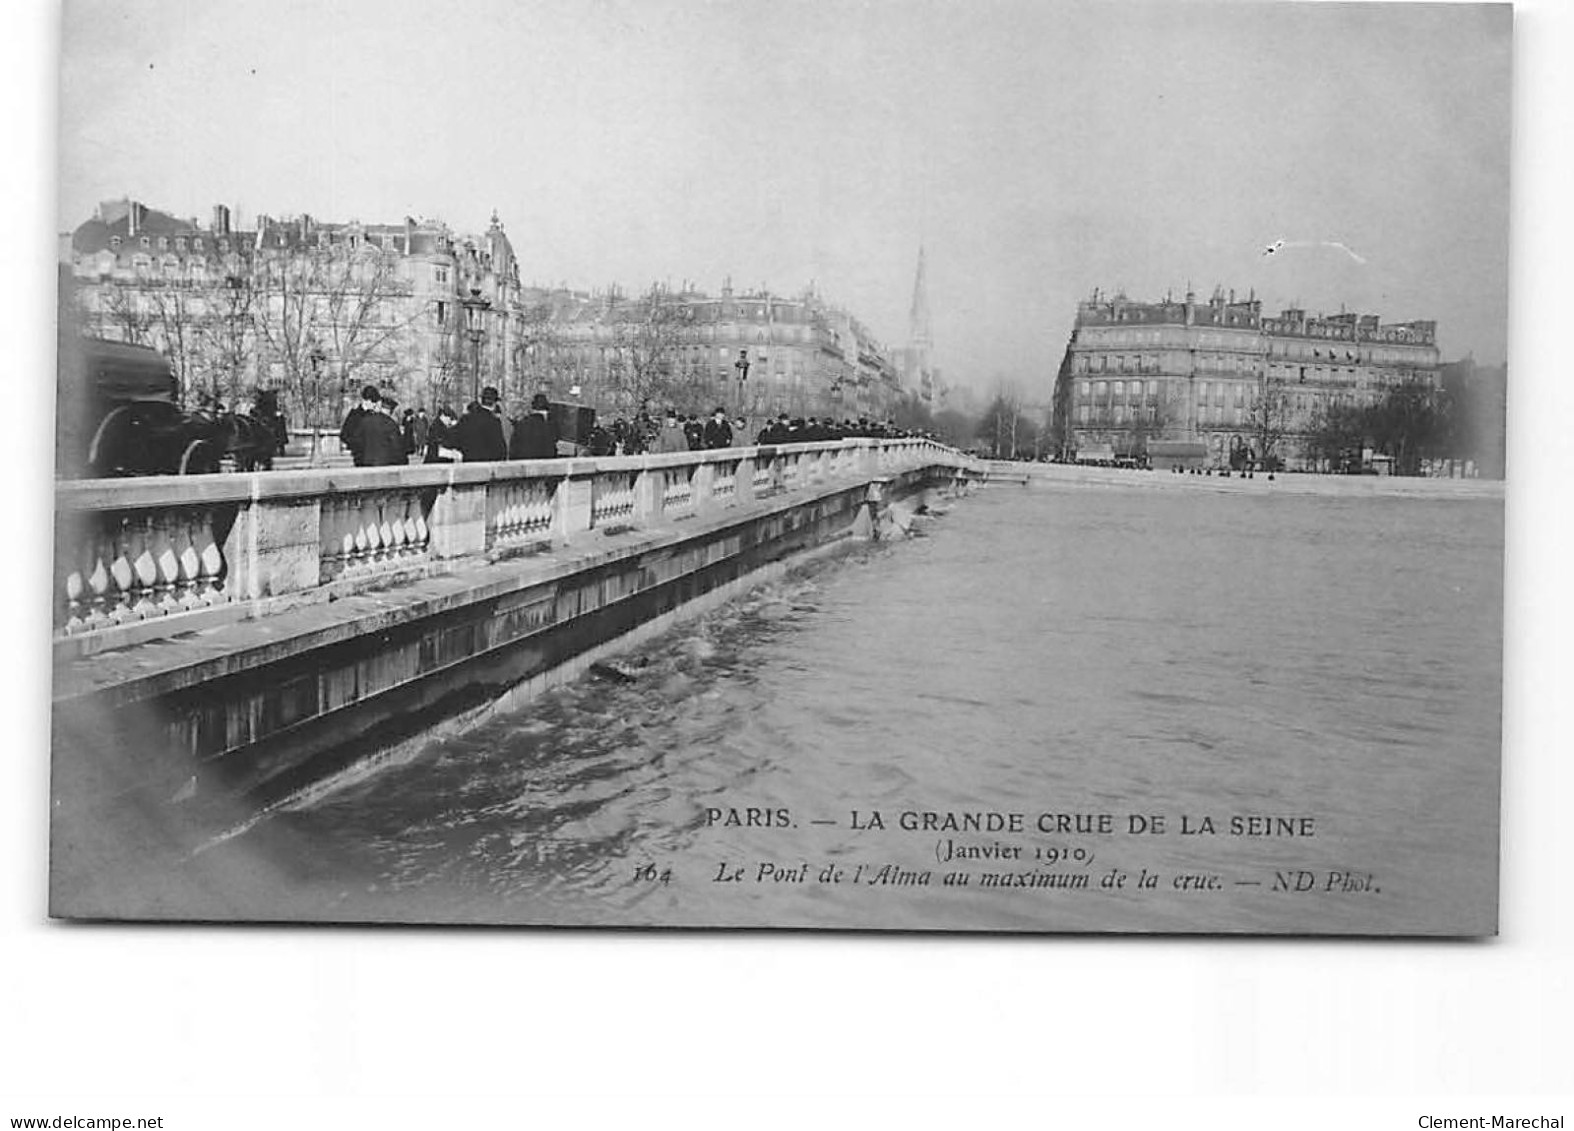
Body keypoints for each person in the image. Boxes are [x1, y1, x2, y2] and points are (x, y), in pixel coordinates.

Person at [455, 386, 508, 461]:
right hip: (488, 468)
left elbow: (454, 440)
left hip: (468, 466)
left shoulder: (466, 419)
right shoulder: (494, 422)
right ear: (494, 403)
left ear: (481, 400)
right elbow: (501, 450)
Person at [339, 384, 382, 466]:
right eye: (374, 402)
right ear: (367, 401)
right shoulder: (354, 415)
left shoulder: (374, 415)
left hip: (374, 457)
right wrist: (357, 446)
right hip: (361, 456)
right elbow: (344, 435)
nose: (375, 405)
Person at [359, 396, 408, 466]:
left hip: (366, 463)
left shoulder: (365, 420)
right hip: (385, 464)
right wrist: (404, 460)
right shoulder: (390, 424)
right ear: (390, 410)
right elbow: (397, 447)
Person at [510, 392, 558, 460]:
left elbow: (513, 450)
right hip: (543, 467)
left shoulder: (520, 425)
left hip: (522, 466)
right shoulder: (550, 428)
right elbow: (552, 451)